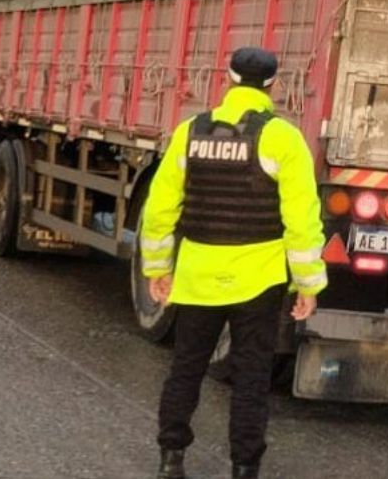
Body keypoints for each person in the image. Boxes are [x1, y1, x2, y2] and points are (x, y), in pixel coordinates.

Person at [139, 46, 327, 479]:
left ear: (228, 78)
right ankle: (244, 466)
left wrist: (157, 270)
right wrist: (308, 284)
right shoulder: (283, 138)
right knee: (251, 377)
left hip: (198, 275)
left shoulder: (191, 132)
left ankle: (171, 458)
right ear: (273, 86)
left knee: (186, 367)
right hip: (258, 280)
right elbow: (301, 220)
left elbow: (160, 209)